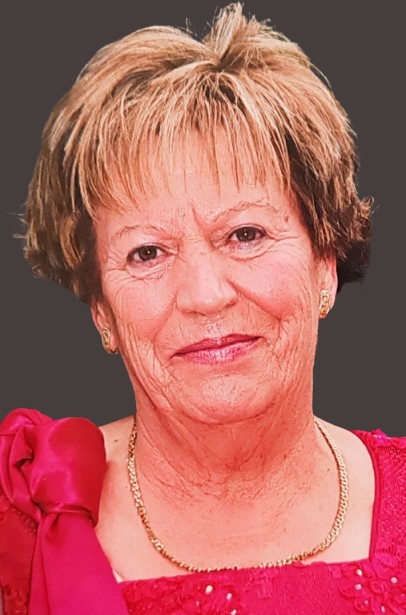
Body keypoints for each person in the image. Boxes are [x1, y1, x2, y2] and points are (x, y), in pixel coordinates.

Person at [0, 3, 405, 614]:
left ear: (326, 261)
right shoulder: (23, 511)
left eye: (245, 234)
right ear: (101, 310)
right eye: (146, 252)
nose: (205, 295)